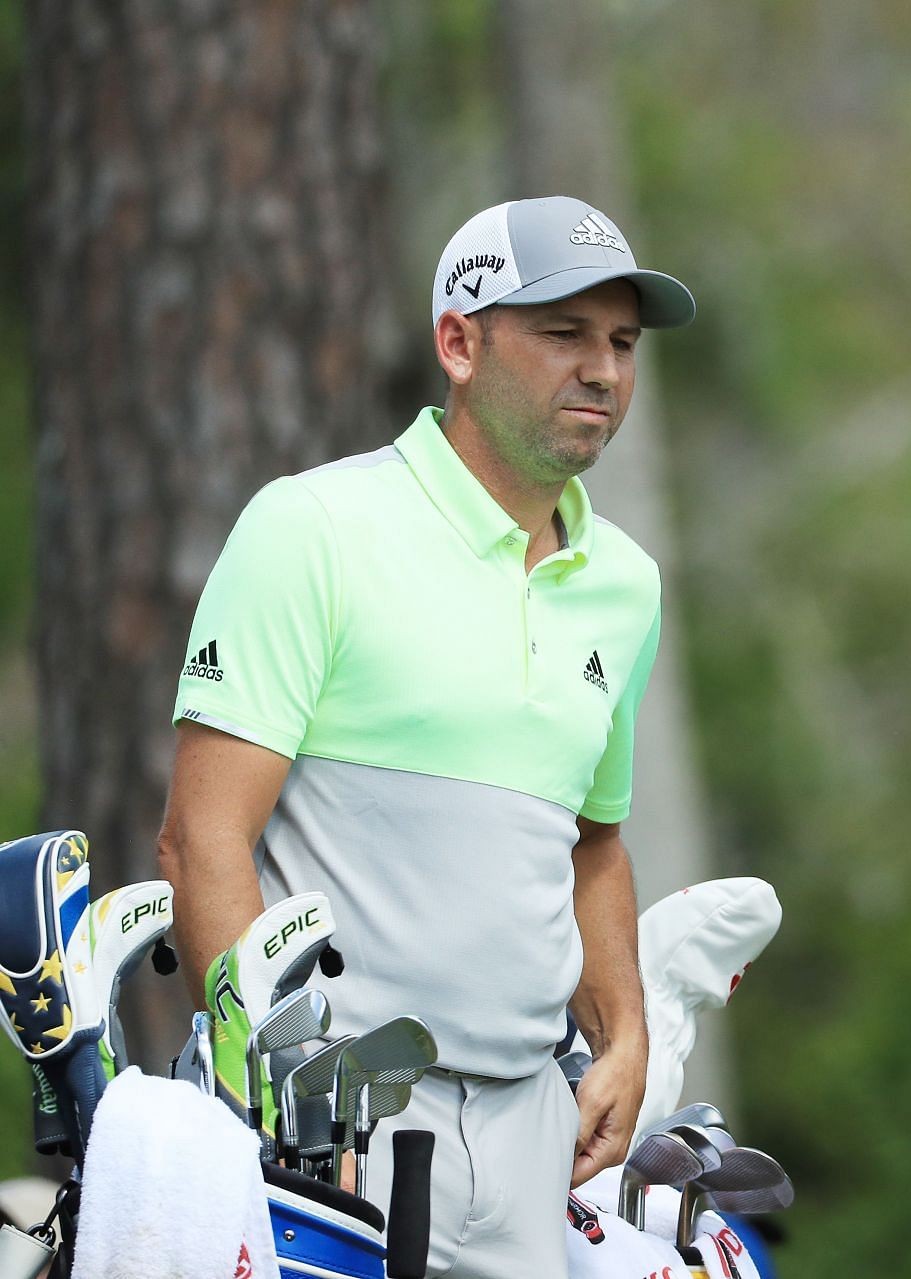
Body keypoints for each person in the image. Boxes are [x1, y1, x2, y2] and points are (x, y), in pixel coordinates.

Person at [157, 195, 695, 1278]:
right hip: (331, 1121)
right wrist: (286, 1087)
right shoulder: (312, 528)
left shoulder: (626, 586)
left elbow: (591, 843)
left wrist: (626, 1029)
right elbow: (200, 841)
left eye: (622, 343)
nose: (602, 370)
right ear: (459, 342)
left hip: (528, 1130)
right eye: (563, 333)